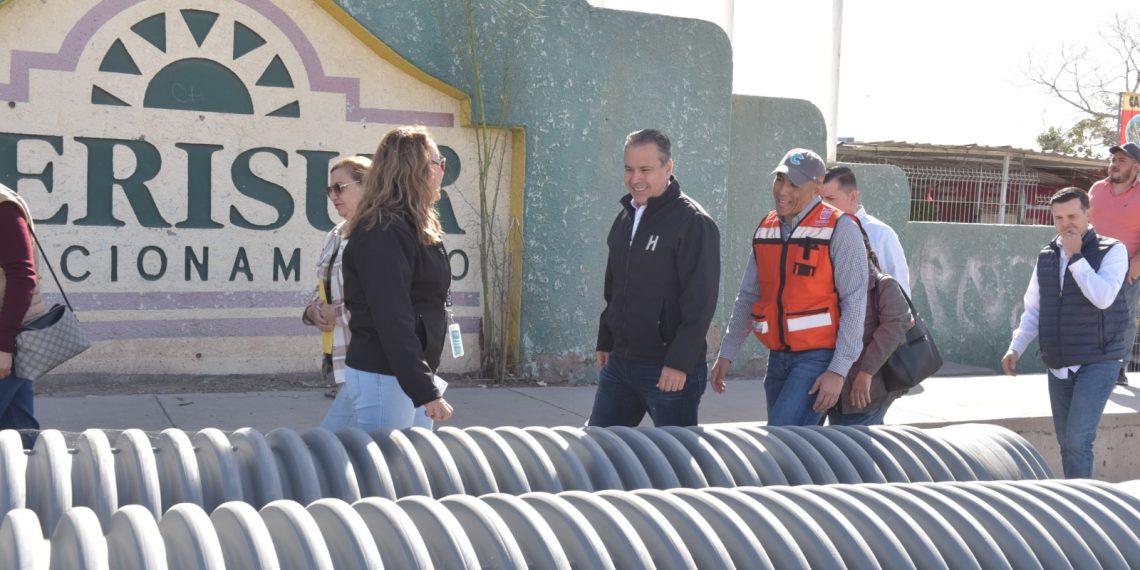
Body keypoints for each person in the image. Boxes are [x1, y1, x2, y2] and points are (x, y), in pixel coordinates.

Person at [711, 148, 868, 426]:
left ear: (818, 187)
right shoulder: (767, 228)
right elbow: (749, 295)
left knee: (782, 442)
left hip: (817, 360)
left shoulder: (841, 228)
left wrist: (838, 370)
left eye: (793, 184)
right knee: (793, 451)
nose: (782, 190)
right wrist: (728, 351)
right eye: (779, 180)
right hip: (778, 359)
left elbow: (855, 302)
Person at [589, 129, 721, 427]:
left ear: (668, 167)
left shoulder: (694, 222)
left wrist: (678, 362)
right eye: (629, 169)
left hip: (667, 371)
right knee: (597, 454)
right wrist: (606, 339)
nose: (636, 178)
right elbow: (615, 285)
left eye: (645, 169)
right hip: (621, 364)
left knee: (674, 464)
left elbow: (700, 303)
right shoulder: (626, 216)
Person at [1001, 187, 1128, 479]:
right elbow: (1034, 308)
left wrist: (1076, 258)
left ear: (1088, 214)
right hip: (1059, 363)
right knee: (1066, 444)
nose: (1065, 224)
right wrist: (1016, 346)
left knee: (1077, 442)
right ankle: (1075, 499)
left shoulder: (1113, 250)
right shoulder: (1047, 255)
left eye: (1072, 216)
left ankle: (1081, 511)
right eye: (1058, 218)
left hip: (1098, 360)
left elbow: (1103, 297)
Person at [341, 126, 454, 430]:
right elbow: (392, 318)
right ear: (414, 171)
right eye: (437, 162)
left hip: (408, 373)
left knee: (408, 469)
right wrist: (424, 390)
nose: (442, 170)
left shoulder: (413, 225)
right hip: (386, 375)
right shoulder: (384, 232)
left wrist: (423, 382)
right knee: (383, 471)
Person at [301, 156, 380, 431]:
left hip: (371, 362)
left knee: (328, 446)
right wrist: (313, 310)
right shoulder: (335, 234)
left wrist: (339, 314)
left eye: (340, 187)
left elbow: (382, 298)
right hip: (344, 360)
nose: (333, 196)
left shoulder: (378, 233)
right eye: (329, 190)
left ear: (367, 186)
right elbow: (323, 286)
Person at [826, 235, 911, 425]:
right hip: (838, 392)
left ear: (865, 251)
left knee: (855, 448)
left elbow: (895, 328)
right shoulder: (834, 285)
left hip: (869, 390)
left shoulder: (883, 285)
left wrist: (866, 372)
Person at [1088, 142, 1140, 386]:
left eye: (1122, 160)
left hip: (1126, 269)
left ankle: (1117, 367)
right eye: (1114, 159)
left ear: (1136, 167)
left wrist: (1136, 264)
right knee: (1088, 315)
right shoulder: (1097, 189)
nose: (1115, 164)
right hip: (1090, 266)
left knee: (1123, 318)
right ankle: (1087, 362)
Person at [820, 166, 911, 295]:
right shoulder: (819, 231)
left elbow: (900, 293)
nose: (823, 206)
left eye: (830, 199)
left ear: (852, 197)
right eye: (820, 200)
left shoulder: (880, 234)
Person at [0, 184, 45, 445]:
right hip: (10, 341)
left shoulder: (4, 207)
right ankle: (34, 483)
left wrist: (4, 346)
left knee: (17, 434)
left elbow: (23, 278)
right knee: (18, 434)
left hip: (9, 338)